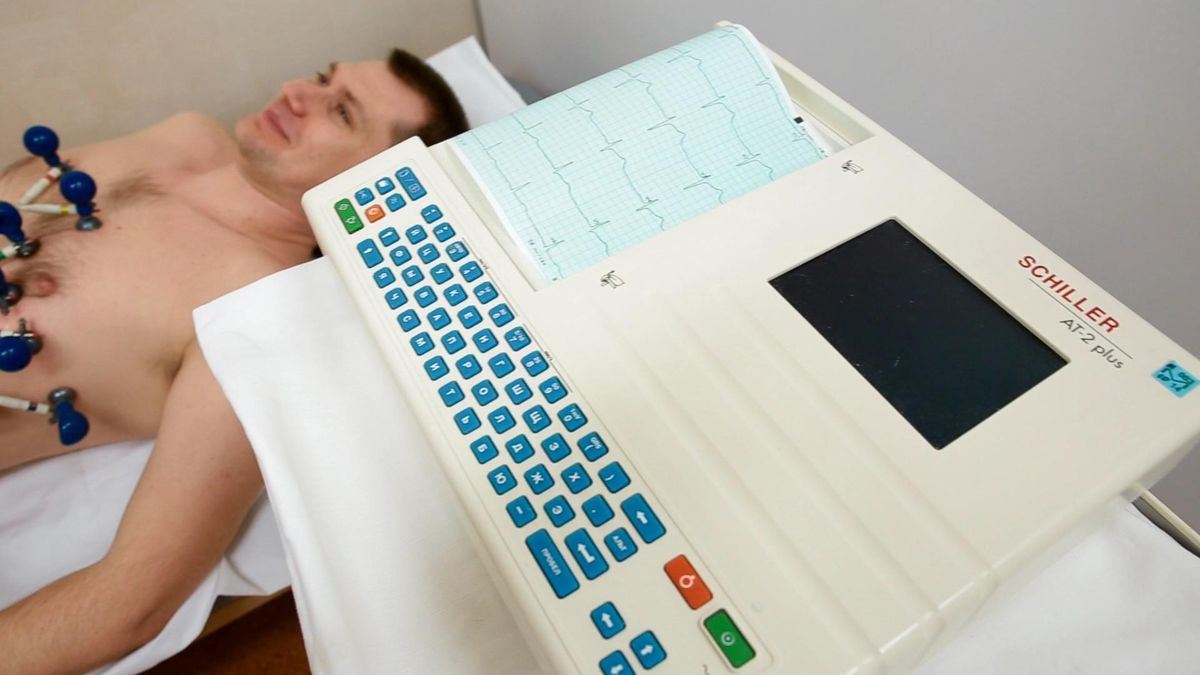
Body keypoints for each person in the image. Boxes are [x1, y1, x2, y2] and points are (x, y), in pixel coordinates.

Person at [0, 49, 468, 672]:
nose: (298, 91)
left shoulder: (254, 314)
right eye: (324, 78)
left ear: (374, 191)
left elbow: (130, 602)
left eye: (342, 112)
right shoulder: (187, 135)